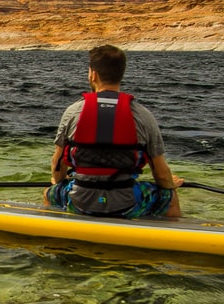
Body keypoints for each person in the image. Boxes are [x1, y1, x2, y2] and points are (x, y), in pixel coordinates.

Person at [45, 44, 183, 219]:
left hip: (79, 201)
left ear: (93, 75)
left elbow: (58, 164)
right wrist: (170, 185)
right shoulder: (143, 115)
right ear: (121, 74)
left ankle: (56, 236)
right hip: (126, 203)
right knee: (169, 197)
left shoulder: (72, 112)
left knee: (50, 193)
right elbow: (161, 174)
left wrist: (58, 183)